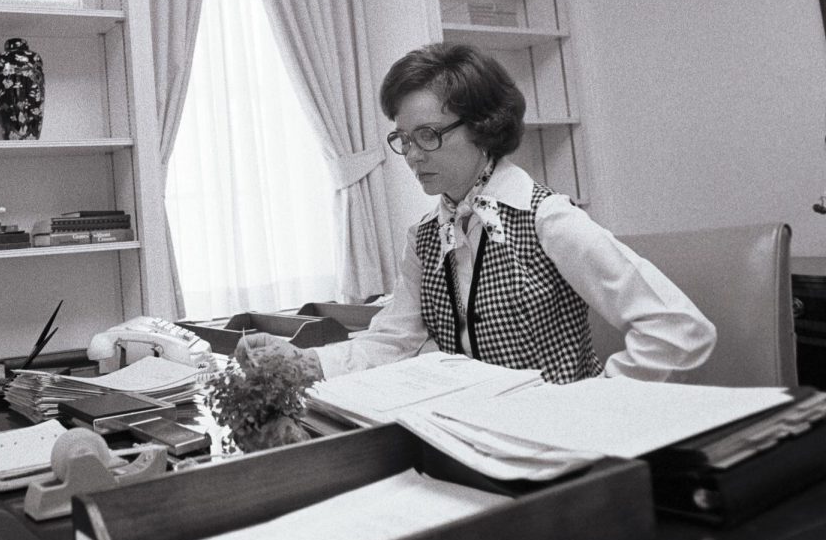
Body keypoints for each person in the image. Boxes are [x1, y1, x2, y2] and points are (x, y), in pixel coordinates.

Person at [237, 42, 716, 385]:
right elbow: (394, 341)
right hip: (469, 437)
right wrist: (300, 361)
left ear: (484, 128)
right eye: (403, 138)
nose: (412, 155)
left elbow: (679, 329)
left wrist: (598, 401)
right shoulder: (426, 236)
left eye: (428, 135)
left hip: (561, 451)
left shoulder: (549, 220)